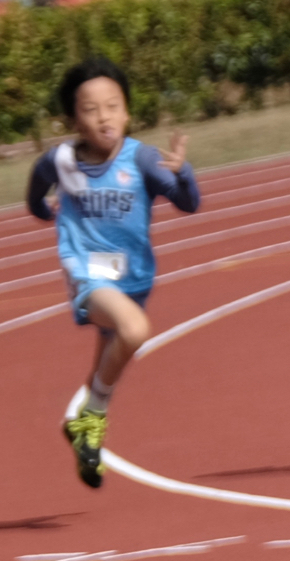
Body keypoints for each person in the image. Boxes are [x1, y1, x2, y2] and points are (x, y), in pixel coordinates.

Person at [27, 57, 201, 489]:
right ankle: (95, 414)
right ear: (73, 119)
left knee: (112, 356)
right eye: (91, 109)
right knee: (135, 330)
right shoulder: (61, 161)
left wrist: (185, 172)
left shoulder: (141, 159)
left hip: (133, 277)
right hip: (86, 272)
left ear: (126, 112)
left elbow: (188, 203)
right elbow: (34, 187)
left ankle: (84, 431)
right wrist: (41, 210)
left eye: (113, 106)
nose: (104, 117)